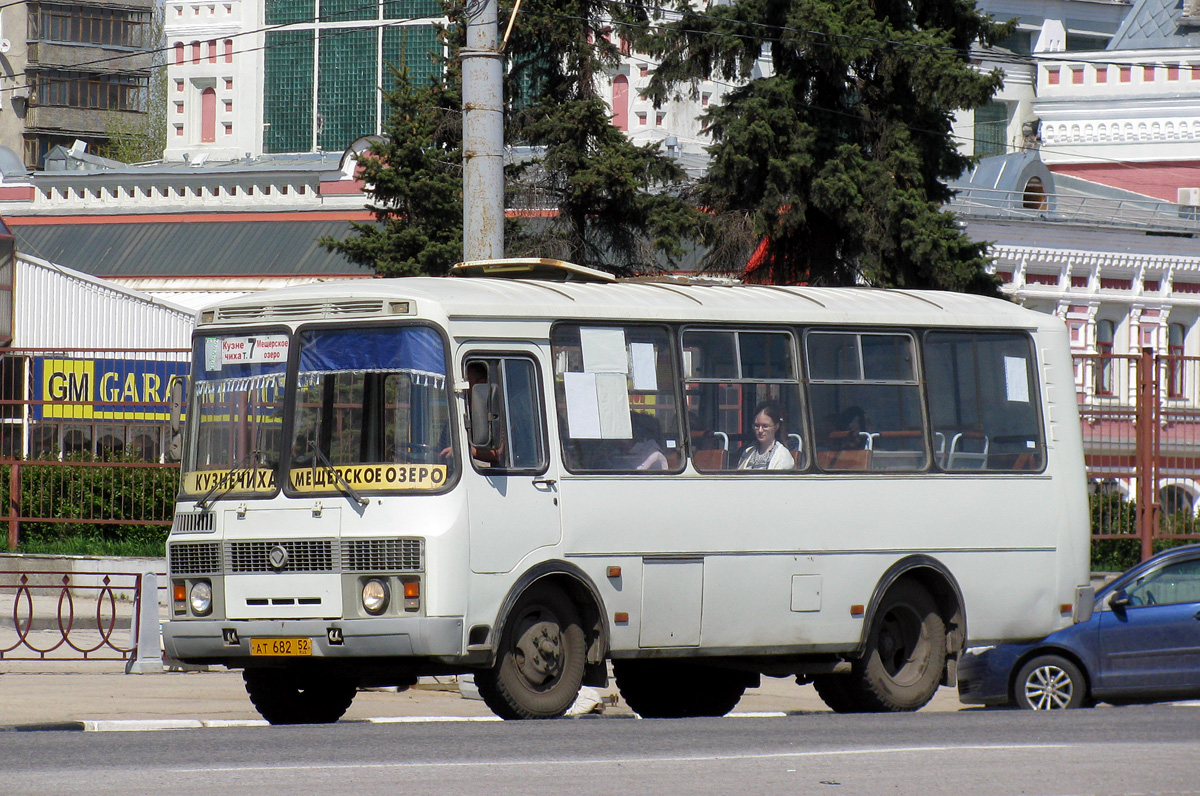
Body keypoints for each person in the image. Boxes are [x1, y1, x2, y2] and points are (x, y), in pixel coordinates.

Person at [736, 401, 794, 470]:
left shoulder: (783, 456)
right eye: (757, 426)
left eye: (765, 426)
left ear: (776, 426)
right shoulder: (748, 452)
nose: (760, 430)